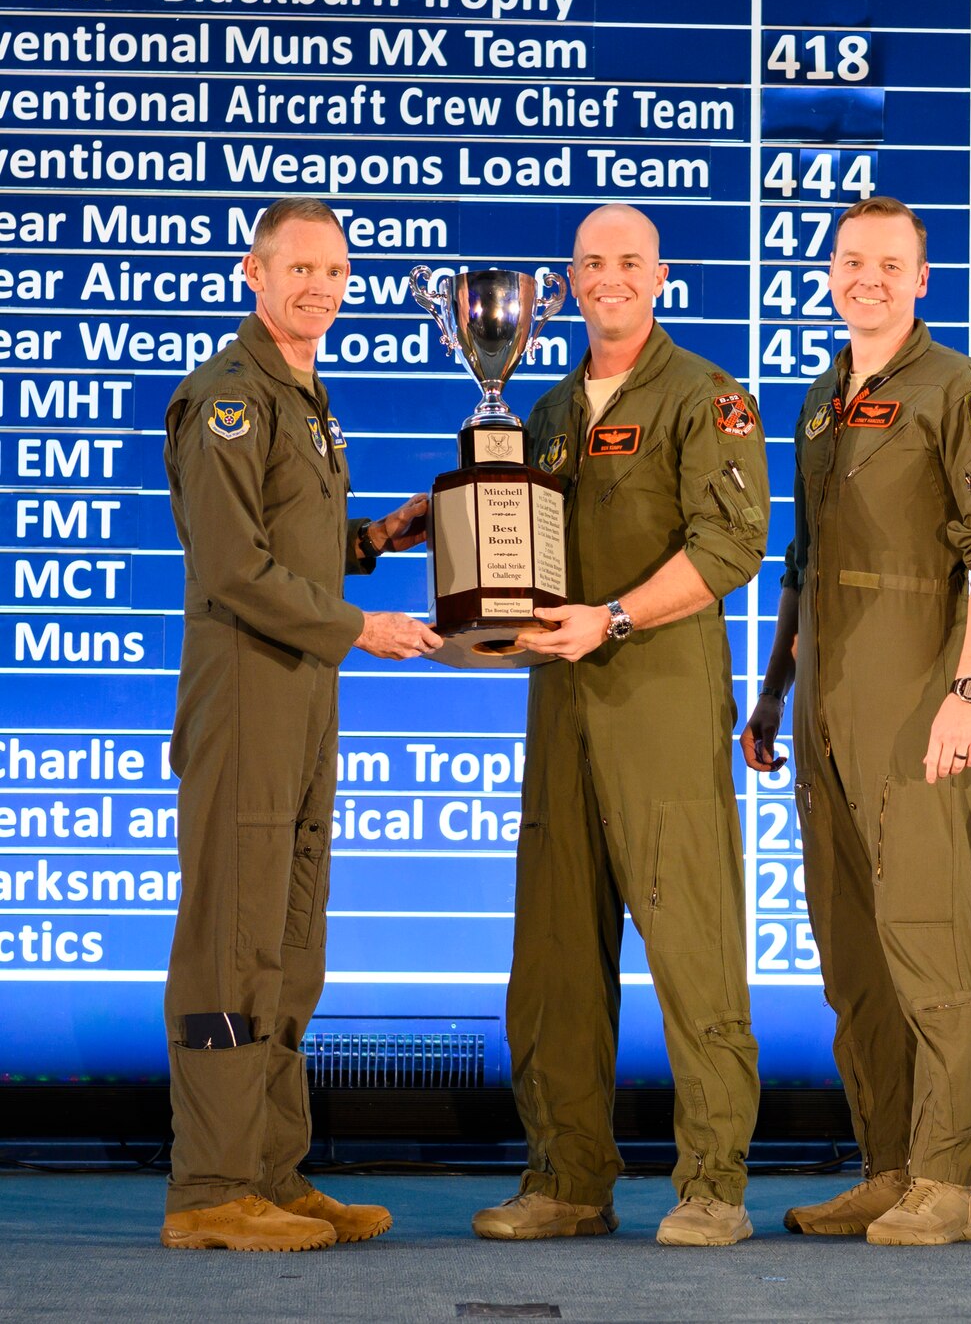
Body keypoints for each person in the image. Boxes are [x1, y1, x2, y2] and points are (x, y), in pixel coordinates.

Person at [472, 204, 770, 1248]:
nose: (609, 277)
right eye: (591, 262)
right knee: (553, 951)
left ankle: (712, 1184)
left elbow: (731, 544)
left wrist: (612, 616)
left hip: (659, 701)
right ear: (568, 281)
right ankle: (565, 1177)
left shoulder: (705, 398)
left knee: (691, 944)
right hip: (560, 709)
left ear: (659, 275)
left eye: (627, 262)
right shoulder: (545, 410)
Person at [745, 196, 971, 1246]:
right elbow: (804, 561)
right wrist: (773, 689)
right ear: (829, 273)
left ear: (921, 279)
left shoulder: (962, 392)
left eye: (888, 263)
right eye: (849, 260)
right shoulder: (823, 397)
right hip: (821, 720)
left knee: (930, 943)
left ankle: (947, 1178)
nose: (865, 277)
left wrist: (968, 694)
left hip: (917, 710)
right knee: (851, 958)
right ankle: (886, 1165)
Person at [160, 197, 438, 1251]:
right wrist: (358, 623)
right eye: (299, 269)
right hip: (246, 704)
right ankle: (211, 1188)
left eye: (334, 271)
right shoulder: (229, 399)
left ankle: (274, 1170)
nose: (319, 287)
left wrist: (379, 536)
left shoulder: (306, 399)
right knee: (232, 948)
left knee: (289, 947)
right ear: (253, 273)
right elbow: (232, 565)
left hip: (304, 700)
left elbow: (292, 542)